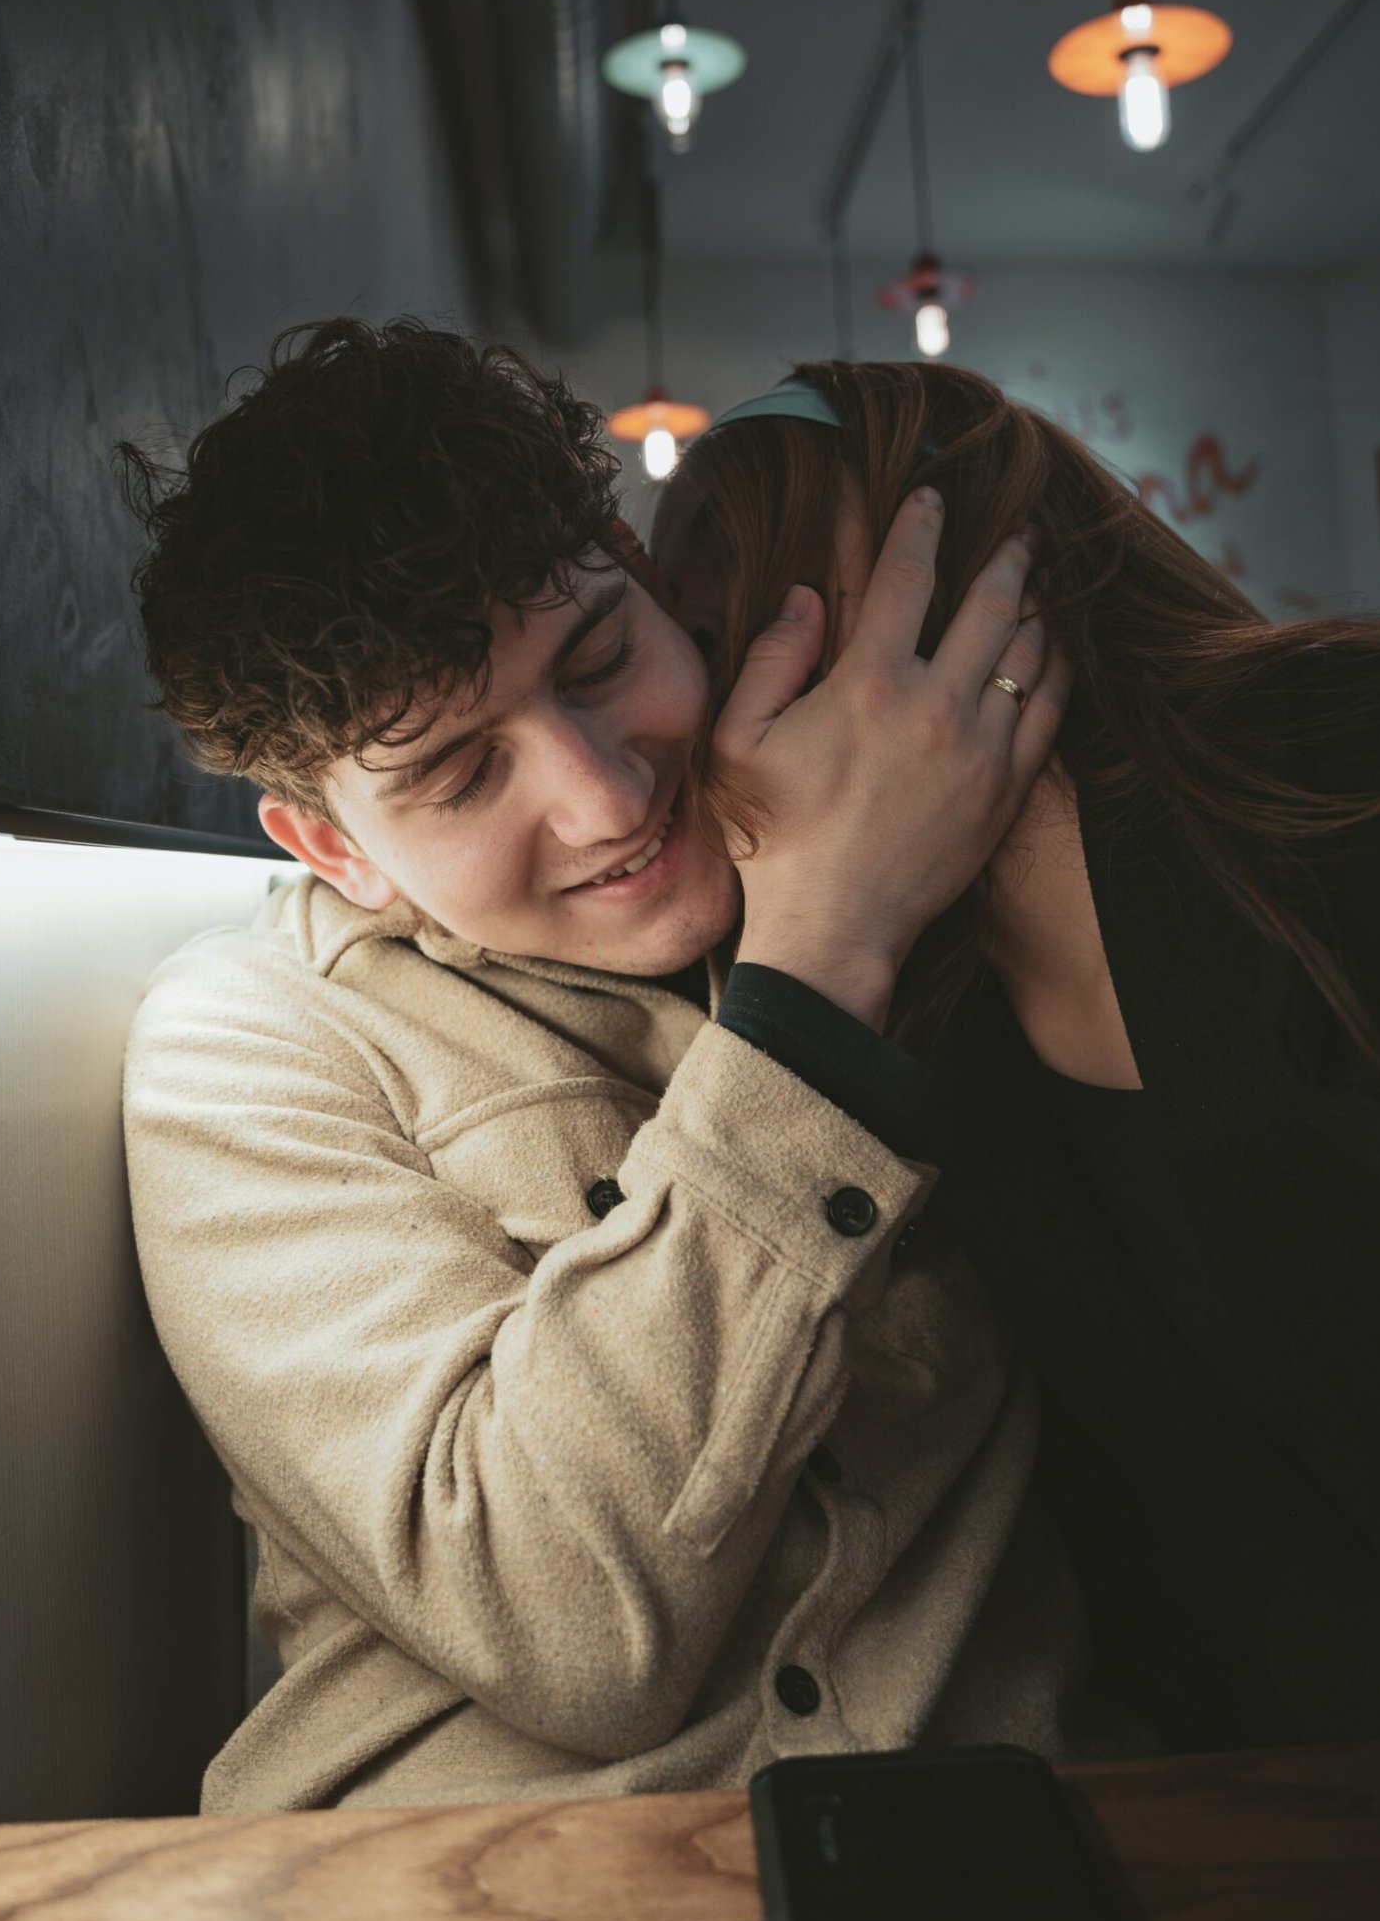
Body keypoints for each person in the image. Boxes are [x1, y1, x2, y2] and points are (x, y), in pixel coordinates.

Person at [114, 316, 1130, 1818]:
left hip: (1006, 1854)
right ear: (332, 846)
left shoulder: (888, 833)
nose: (602, 793)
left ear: (642, 574)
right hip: (479, 1903)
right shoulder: (244, 1049)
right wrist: (819, 970)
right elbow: (569, 1625)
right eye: (461, 775)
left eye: (599, 658)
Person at [652, 356, 1380, 1754]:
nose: (746, 718)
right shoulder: (920, 1024)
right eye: (716, 648)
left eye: (787, 622)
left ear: (972, 576)